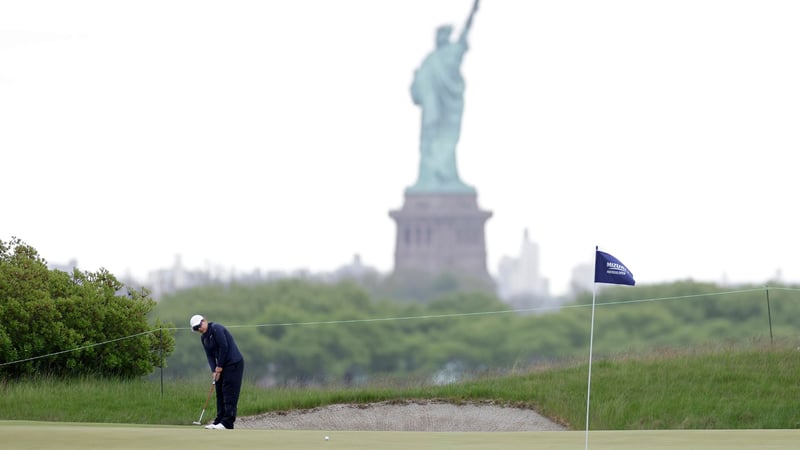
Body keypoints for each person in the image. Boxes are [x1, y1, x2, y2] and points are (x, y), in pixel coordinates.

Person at [407, 0, 479, 194]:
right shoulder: (431, 62)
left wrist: (474, 10)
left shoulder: (445, 56)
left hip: (446, 115)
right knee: (433, 145)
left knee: (445, 144)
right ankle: (433, 178)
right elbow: (416, 93)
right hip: (434, 115)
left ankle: (444, 177)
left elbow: (465, 32)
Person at [190, 314, 245, 430]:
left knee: (228, 392)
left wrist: (219, 367)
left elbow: (223, 347)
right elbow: (209, 355)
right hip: (222, 366)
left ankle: (228, 423)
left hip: (233, 363)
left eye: (199, 325)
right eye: (196, 328)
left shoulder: (216, 328)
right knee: (219, 391)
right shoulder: (203, 338)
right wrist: (213, 370)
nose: (199, 329)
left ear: (204, 321)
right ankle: (219, 420)